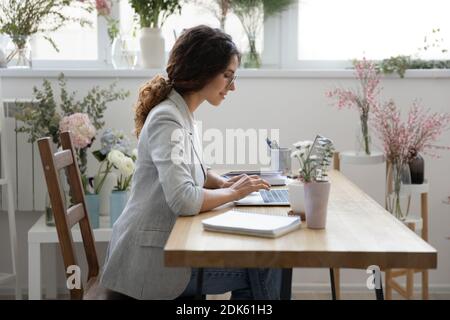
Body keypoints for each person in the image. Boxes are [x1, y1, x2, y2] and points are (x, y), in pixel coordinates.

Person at [100, 25, 282, 300]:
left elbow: (192, 172)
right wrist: (233, 193)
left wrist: (222, 183)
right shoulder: (167, 118)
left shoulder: (181, 113)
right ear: (203, 71)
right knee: (268, 267)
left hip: (166, 247)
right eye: (227, 76)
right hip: (151, 261)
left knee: (268, 260)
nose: (232, 86)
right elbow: (183, 199)